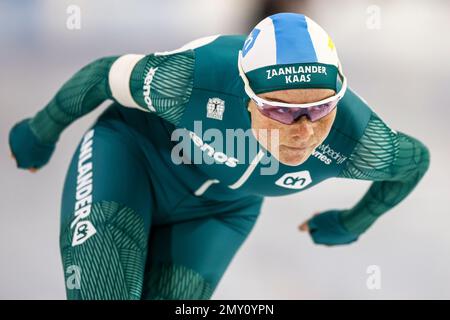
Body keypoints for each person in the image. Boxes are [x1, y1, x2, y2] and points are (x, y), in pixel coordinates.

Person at [8, 13, 430, 300]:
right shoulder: (189, 80)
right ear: (247, 97)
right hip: (133, 159)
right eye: (282, 110)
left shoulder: (360, 140)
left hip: (220, 211)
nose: (305, 131)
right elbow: (104, 74)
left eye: (321, 108)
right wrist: (40, 131)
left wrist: (351, 222)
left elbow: (415, 162)